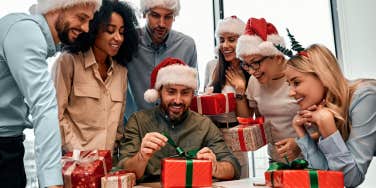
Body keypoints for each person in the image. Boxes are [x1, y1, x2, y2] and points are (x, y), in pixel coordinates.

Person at [0, 0, 101, 187]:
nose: (86, 28)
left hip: (10, 144)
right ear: (57, 8)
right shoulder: (25, 32)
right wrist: (52, 182)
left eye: (89, 20)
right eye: (81, 18)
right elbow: (44, 106)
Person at [118, 57, 240, 182]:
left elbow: (233, 167)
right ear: (159, 92)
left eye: (185, 93)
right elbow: (123, 169)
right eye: (171, 92)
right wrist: (142, 157)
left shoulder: (204, 125)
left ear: (192, 94)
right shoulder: (138, 121)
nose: (177, 100)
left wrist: (215, 167)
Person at [52, 0, 138, 160]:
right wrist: (81, 155)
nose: (118, 38)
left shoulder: (121, 72)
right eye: (110, 31)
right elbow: (55, 116)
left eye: (122, 32)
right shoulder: (68, 63)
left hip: (107, 166)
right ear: (93, 29)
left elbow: (118, 126)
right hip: (72, 164)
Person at [283, 43, 376, 187]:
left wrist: (328, 128)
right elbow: (326, 175)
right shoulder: (324, 108)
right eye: (289, 84)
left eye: (296, 82)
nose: (290, 92)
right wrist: (302, 134)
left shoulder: (365, 97)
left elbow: (351, 180)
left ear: (322, 77)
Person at [229, 17, 306, 163]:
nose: (251, 71)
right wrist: (239, 91)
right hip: (276, 160)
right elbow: (251, 118)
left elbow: (327, 125)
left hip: (310, 159)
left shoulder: (300, 77)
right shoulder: (254, 82)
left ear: (277, 57)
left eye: (255, 63)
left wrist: (301, 144)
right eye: (246, 65)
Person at [125, 0, 198, 118]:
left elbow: (191, 91)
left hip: (176, 126)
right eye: (155, 15)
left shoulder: (187, 45)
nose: (162, 24)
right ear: (144, 14)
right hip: (134, 125)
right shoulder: (128, 41)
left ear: (174, 17)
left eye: (168, 17)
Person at [204, 16, 251, 178]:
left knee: (239, 178)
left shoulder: (249, 71)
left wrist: (240, 90)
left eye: (232, 40)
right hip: (213, 136)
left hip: (236, 137)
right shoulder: (211, 66)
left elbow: (245, 118)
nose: (225, 45)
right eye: (221, 40)